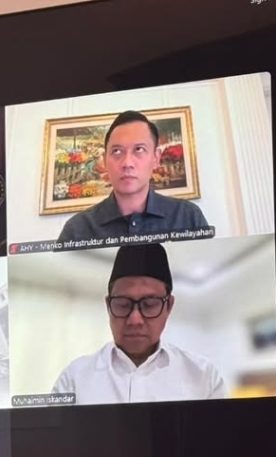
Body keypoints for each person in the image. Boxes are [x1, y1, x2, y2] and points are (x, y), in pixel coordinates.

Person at [52, 243, 227, 404]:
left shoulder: (204, 377)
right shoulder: (74, 379)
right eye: (122, 304)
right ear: (108, 306)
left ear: (169, 306)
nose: (135, 320)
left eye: (149, 304)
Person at [57, 111, 209, 244]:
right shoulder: (77, 230)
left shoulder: (188, 217)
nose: (127, 163)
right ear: (105, 160)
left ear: (156, 158)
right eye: (117, 151)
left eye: (139, 149)